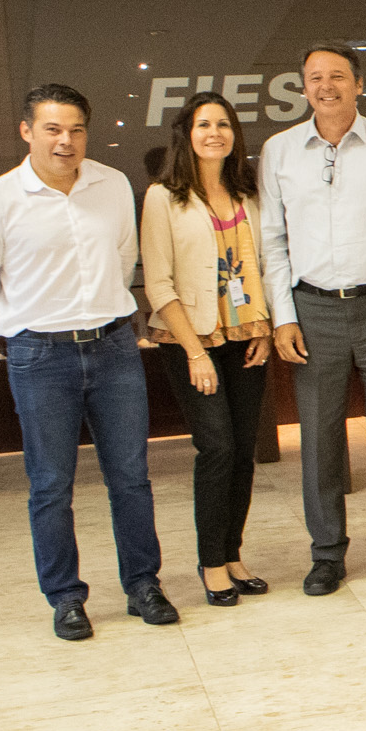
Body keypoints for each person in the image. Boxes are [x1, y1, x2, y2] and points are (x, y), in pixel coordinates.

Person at [0, 83, 174, 640]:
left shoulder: (112, 184)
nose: (66, 141)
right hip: (40, 356)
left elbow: (124, 256)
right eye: (53, 129)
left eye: (76, 130)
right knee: (51, 484)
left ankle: (143, 585)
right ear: (27, 131)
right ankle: (65, 597)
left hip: (114, 348)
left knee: (131, 477)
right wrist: (21, 328)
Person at [258, 43, 366, 595]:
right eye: (315, 78)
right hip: (312, 309)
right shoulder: (279, 150)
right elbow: (272, 240)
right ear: (303, 87)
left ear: (358, 83)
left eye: (338, 76)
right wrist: (284, 317)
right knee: (319, 440)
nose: (326, 86)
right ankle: (326, 553)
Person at [141, 90, 274, 606]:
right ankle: (211, 562)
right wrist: (196, 353)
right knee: (217, 447)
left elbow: (264, 265)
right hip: (191, 340)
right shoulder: (163, 197)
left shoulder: (248, 192)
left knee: (242, 450)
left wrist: (263, 328)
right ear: (186, 134)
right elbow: (158, 283)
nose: (214, 133)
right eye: (203, 124)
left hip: (246, 336)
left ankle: (233, 554)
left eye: (223, 124)